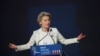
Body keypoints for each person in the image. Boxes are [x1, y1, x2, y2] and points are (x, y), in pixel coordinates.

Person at [9, 11, 86, 52]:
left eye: (49, 20)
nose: (48, 22)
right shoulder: (36, 33)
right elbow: (29, 45)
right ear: (40, 22)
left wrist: (76, 39)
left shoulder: (54, 30)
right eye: (45, 20)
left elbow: (64, 41)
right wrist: (17, 47)